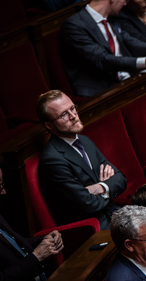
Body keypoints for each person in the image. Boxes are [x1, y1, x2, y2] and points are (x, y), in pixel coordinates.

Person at [37, 90, 126, 229]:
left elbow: (120, 179)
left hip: (113, 215)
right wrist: (107, 187)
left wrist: (100, 187)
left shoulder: (85, 141)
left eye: (72, 108)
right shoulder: (52, 160)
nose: (73, 116)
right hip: (93, 228)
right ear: (49, 126)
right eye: (64, 115)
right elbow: (87, 204)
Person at [0, 159, 64, 281]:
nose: (3, 192)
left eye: (2, 185)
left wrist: (45, 239)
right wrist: (37, 256)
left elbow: (13, 245)